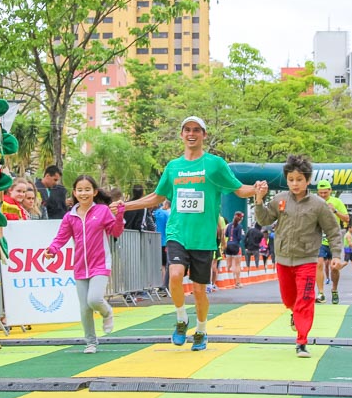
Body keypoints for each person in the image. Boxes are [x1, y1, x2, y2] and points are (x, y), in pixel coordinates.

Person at [118, 116, 262, 352]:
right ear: (182, 134)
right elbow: (157, 196)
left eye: (196, 130)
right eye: (187, 130)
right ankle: (181, 318)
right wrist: (126, 205)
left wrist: (256, 189)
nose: (191, 134)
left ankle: (202, 329)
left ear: (204, 135)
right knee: (174, 274)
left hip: (203, 238)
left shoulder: (215, 164)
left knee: (198, 290)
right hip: (177, 232)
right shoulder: (173, 167)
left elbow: (238, 188)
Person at [253, 154, 343, 358]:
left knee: (306, 298)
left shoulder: (319, 205)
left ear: (308, 180)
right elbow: (265, 219)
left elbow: (333, 230)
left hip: (308, 260)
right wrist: (259, 200)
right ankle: (294, 313)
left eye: (299, 179)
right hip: (283, 258)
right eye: (291, 179)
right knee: (288, 299)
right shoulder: (279, 200)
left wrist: (337, 254)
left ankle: (302, 341)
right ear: (286, 180)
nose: (295, 184)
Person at [44, 175, 124, 354]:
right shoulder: (70, 216)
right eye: (79, 190)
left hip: (100, 264)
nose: (83, 193)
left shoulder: (102, 211)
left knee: (94, 299)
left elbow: (115, 231)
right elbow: (61, 237)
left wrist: (119, 217)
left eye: (87, 189)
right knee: (84, 308)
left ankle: (107, 312)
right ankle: (90, 342)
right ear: (74, 192)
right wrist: (52, 249)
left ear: (95, 192)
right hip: (80, 266)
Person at [314, 179, 350, 305]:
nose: (323, 195)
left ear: (330, 190)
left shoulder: (337, 202)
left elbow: (346, 218)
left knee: (334, 267)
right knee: (319, 264)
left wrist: (334, 211)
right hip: (319, 238)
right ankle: (321, 293)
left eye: (325, 192)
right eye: (321, 193)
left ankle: (334, 290)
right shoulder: (314, 202)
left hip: (334, 238)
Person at [223, 212, 245, 288]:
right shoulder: (239, 227)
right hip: (236, 246)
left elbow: (225, 235)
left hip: (228, 245)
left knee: (228, 265)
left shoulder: (228, 225)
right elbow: (239, 237)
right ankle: (237, 283)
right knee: (237, 265)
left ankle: (229, 281)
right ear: (241, 219)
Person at [154, 200, 170, 291]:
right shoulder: (166, 214)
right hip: (164, 241)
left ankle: (158, 284)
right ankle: (163, 284)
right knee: (163, 265)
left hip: (152, 241)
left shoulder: (154, 213)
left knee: (155, 264)